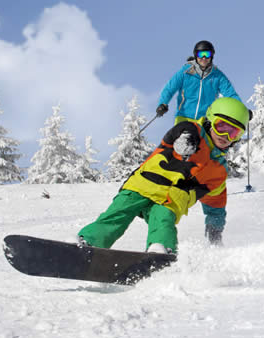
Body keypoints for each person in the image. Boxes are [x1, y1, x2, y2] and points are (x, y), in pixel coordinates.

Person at [78, 97, 250, 252]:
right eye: (221, 127)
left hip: (170, 200)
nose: (226, 136)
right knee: (117, 215)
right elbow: (180, 131)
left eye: (234, 132)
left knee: (164, 222)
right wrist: (185, 139)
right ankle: (89, 242)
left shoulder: (219, 171)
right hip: (141, 185)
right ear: (210, 121)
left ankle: (160, 252)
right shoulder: (192, 131)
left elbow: (216, 204)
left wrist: (215, 232)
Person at [156, 40, 242, 124]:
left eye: (207, 54)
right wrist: (163, 103)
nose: (204, 58)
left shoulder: (217, 76)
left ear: (211, 56)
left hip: (204, 121)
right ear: (196, 56)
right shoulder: (185, 72)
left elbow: (230, 93)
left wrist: (241, 109)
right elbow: (169, 88)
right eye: (201, 54)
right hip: (184, 118)